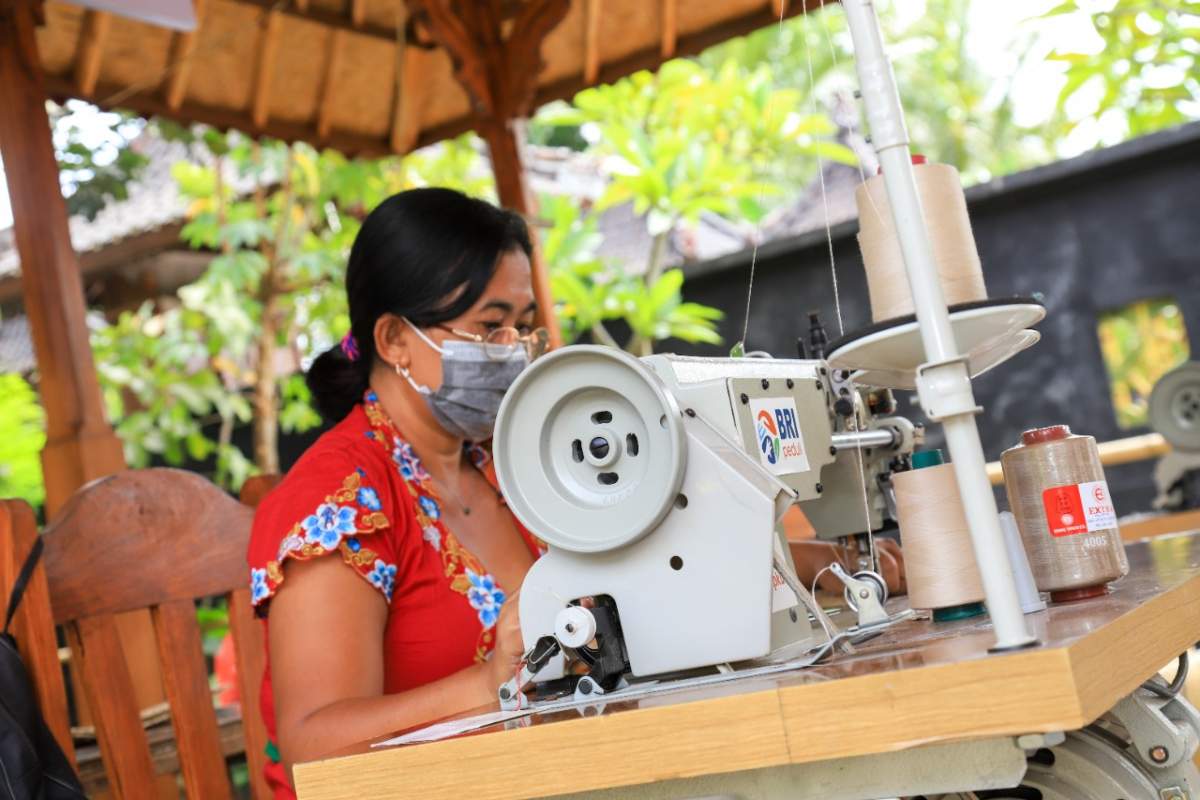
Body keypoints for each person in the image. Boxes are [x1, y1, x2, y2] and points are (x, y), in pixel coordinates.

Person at [247, 187, 904, 797]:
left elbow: (646, 574)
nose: (513, 350)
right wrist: (485, 684)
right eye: (489, 327)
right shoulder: (339, 502)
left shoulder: (508, 468)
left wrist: (827, 565)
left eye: (522, 326)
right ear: (394, 340)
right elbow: (315, 746)